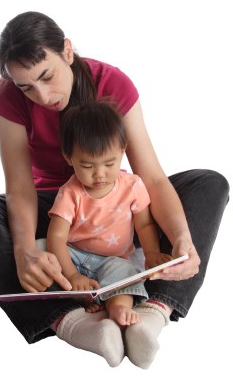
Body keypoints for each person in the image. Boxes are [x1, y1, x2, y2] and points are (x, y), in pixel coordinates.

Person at [0, 11, 229, 369]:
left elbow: (151, 177)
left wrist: (183, 238)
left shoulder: (111, 82)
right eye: (26, 86)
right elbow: (19, 188)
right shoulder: (7, 96)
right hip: (56, 214)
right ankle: (72, 321)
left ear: (67, 51)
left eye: (46, 76)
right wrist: (25, 250)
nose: (41, 95)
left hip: (118, 210)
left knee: (209, 182)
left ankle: (155, 311)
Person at [47, 99, 172, 330]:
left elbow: (144, 225)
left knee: (126, 272)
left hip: (114, 260)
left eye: (109, 163)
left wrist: (152, 253)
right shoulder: (70, 193)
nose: (99, 174)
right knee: (41, 249)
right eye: (87, 166)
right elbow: (56, 238)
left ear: (122, 150)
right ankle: (80, 295)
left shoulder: (132, 185)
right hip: (74, 255)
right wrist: (73, 275)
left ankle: (118, 308)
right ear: (69, 158)